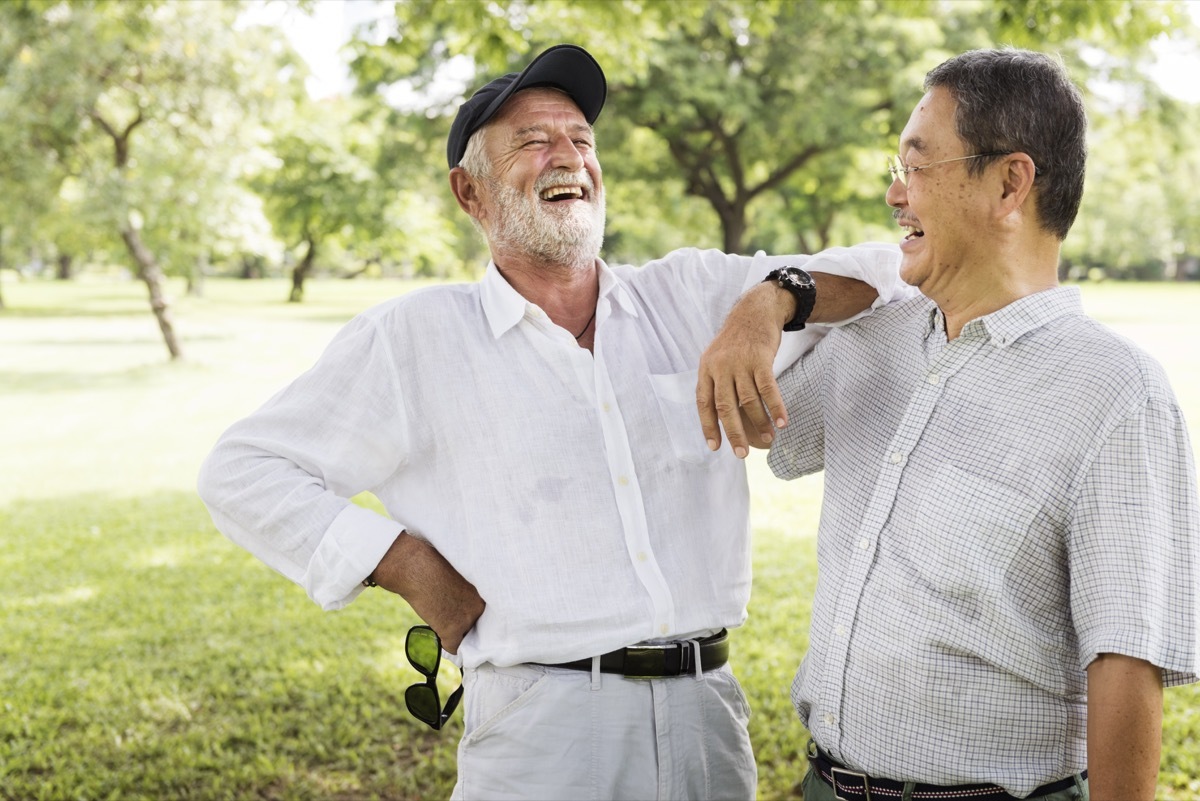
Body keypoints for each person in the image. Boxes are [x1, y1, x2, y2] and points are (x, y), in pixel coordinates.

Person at [197, 44, 910, 800]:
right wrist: (400, 560)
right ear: (469, 193)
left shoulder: (690, 294)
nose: (567, 157)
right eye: (533, 142)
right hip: (542, 729)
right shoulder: (413, 339)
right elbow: (242, 471)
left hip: (708, 716)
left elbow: (891, 271)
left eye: (581, 140)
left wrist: (771, 300)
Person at [697, 48, 1199, 801]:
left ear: (1009, 182)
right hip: (821, 784)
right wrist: (773, 297)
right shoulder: (879, 336)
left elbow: (1126, 662)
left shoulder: (1116, 393)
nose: (897, 194)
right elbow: (760, 421)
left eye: (918, 164)